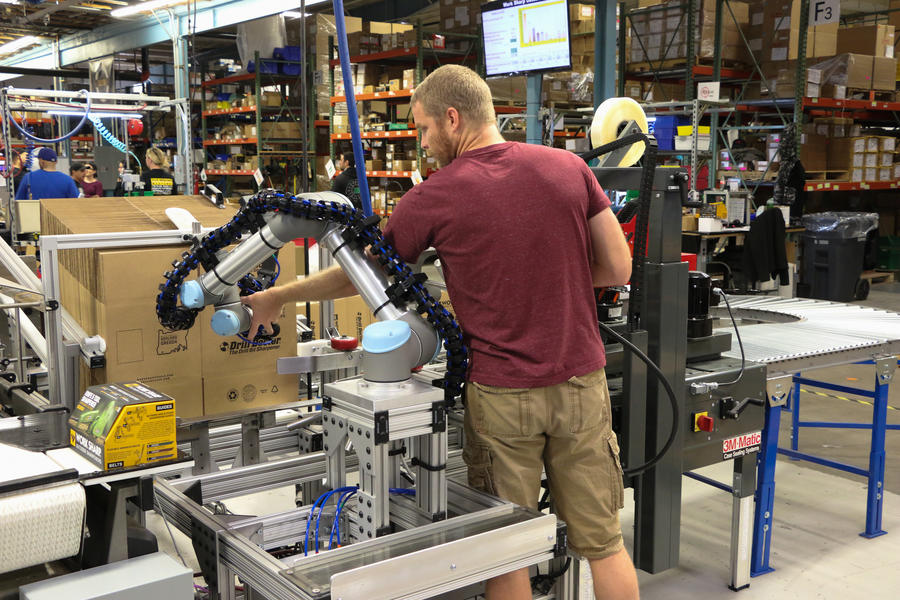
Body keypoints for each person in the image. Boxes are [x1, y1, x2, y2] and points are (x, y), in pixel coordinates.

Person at [242, 65, 637, 600]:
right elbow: (617, 267)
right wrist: (549, 275)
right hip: (582, 384)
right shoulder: (568, 167)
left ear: (453, 119)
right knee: (605, 545)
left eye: (425, 128)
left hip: (503, 397)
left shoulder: (434, 196)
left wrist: (278, 296)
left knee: (507, 552)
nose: (423, 144)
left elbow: (362, 274)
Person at [15, 147, 79, 200]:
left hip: (35, 212)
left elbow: (19, 201)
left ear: (41, 161)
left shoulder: (29, 177)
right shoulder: (67, 180)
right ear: (56, 162)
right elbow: (76, 202)